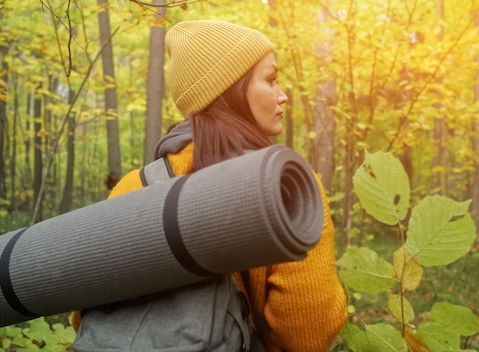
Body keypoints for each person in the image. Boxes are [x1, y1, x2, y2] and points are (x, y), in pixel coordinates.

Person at [71, 19, 347, 351]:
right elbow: (306, 336)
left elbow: (86, 315)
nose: (283, 95)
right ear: (229, 90)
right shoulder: (287, 187)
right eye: (271, 80)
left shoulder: (133, 185)